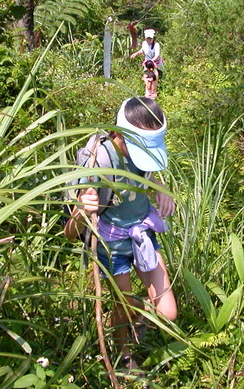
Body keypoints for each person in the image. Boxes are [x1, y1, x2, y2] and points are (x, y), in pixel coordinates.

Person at [63, 97, 177, 369]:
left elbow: (147, 173)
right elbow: (69, 233)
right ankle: (124, 356)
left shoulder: (140, 153)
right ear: (118, 133)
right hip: (111, 246)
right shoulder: (99, 161)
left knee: (168, 312)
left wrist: (161, 189)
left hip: (142, 236)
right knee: (122, 307)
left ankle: (137, 317)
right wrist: (81, 210)